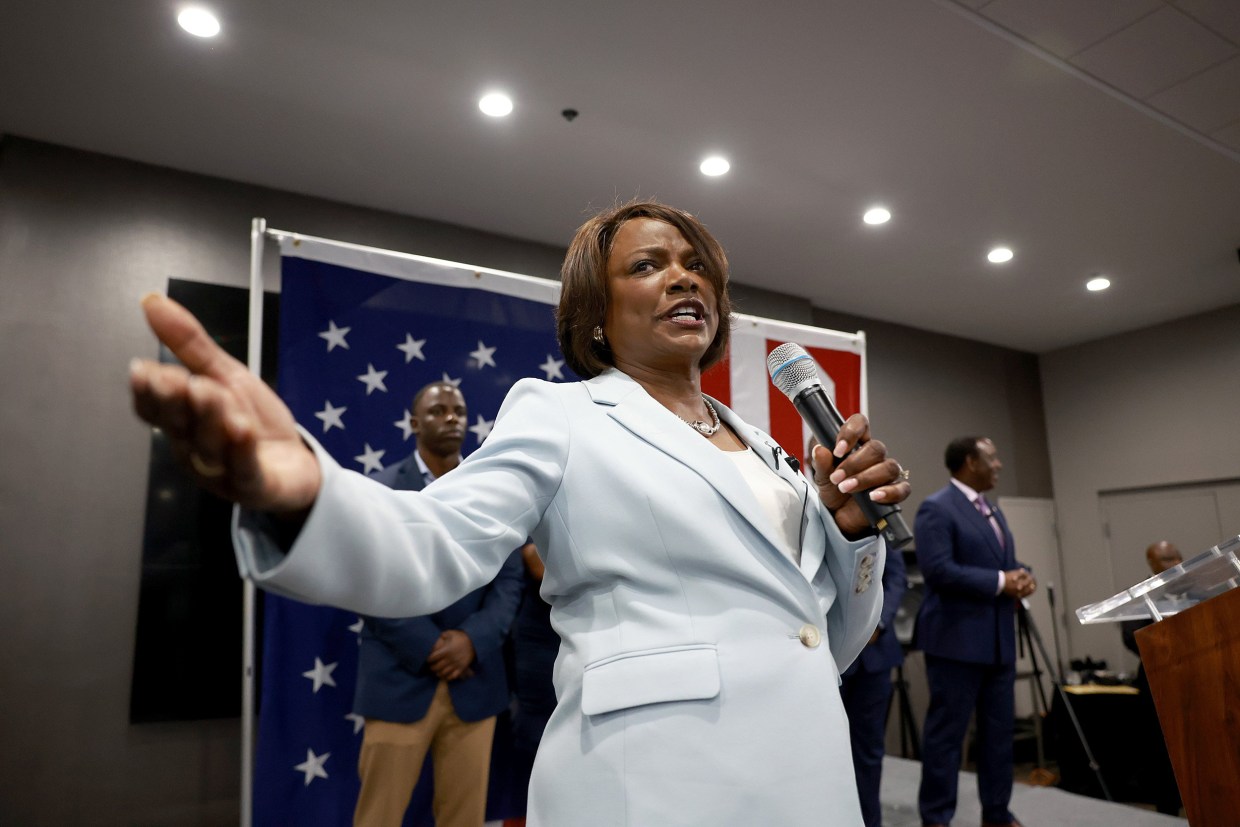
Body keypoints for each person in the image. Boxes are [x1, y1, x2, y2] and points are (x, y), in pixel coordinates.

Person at [128, 200, 911, 827]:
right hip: (660, 781)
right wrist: (304, 493)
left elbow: (824, 639)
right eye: (650, 265)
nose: (685, 277)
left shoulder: (775, 452)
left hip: (810, 778)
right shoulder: (561, 415)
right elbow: (429, 541)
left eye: (696, 265)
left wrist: (849, 533)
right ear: (597, 316)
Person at [352, 381, 523, 827]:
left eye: (459, 410)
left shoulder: (490, 494)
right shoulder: (382, 491)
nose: (452, 418)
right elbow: (371, 583)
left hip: (476, 683)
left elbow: (508, 581)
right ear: (413, 423)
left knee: (464, 818)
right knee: (378, 817)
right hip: (399, 679)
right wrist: (430, 646)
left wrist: (472, 641)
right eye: (438, 411)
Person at [914, 436, 1033, 827]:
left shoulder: (993, 512)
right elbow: (938, 571)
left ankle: (997, 814)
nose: (998, 465)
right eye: (991, 458)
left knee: (998, 737)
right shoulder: (936, 508)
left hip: (998, 643)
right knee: (947, 739)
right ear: (970, 462)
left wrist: (1022, 576)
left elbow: (1006, 563)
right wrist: (1002, 581)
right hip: (956, 644)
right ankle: (936, 819)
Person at [809, 437, 909, 827]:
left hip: (876, 656)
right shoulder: (802, 512)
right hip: (824, 657)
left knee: (869, 751)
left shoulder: (871, 506)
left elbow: (896, 575)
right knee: (826, 753)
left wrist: (877, 622)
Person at [1119, 540, 1183, 816]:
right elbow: (1132, 636)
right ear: (1152, 564)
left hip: (1197, 679)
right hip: (1158, 681)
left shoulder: (1197, 588)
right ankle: (1168, 810)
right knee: (1162, 753)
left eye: (1177, 556)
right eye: (1167, 559)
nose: (1175, 563)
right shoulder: (1140, 596)